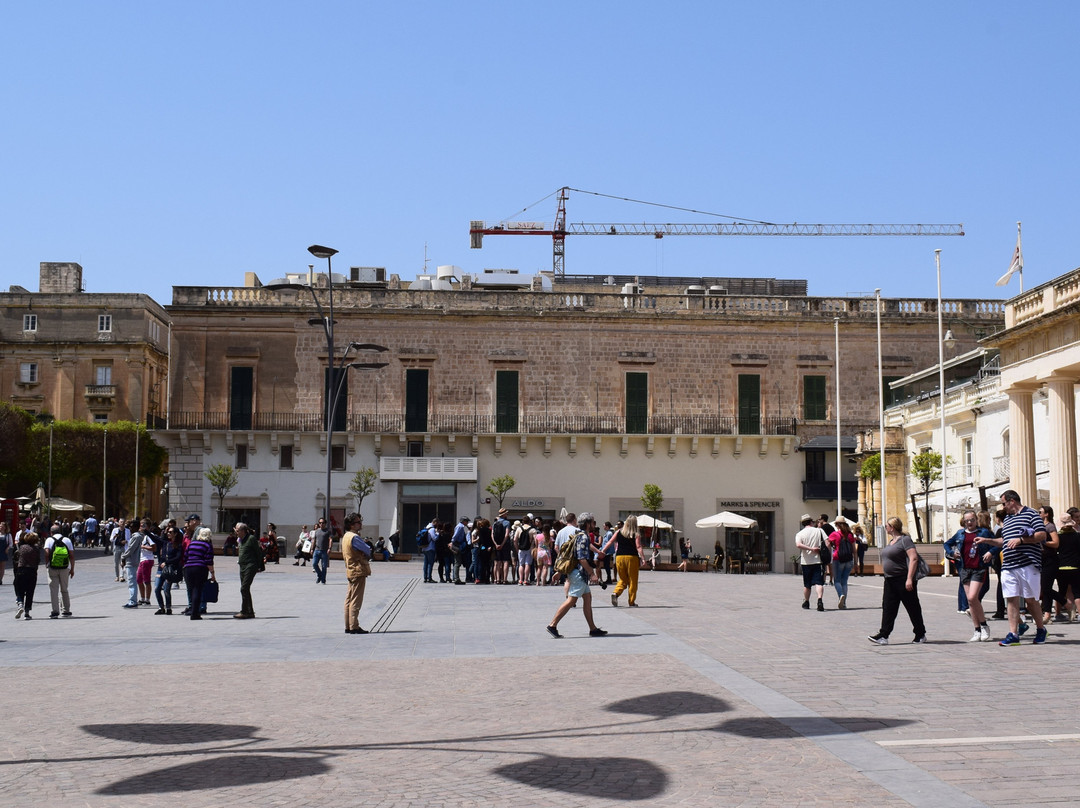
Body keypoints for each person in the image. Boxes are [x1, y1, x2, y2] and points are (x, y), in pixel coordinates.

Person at [988, 490, 1048, 646]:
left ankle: (1041, 629)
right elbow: (1005, 541)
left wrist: (1021, 540)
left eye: (1003, 503)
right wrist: (988, 541)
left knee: (1031, 600)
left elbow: (1042, 535)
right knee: (1012, 598)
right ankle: (1013, 634)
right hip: (1009, 565)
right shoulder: (1007, 519)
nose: (1003, 506)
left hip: (1027, 564)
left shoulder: (1031, 514)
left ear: (1011, 501)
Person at [868, 517, 926, 645]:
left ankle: (920, 633)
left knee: (912, 607)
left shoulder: (905, 540)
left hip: (903, 579)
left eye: (887, 525)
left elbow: (914, 558)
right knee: (888, 607)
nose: (885, 528)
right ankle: (884, 635)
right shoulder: (891, 542)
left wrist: (909, 579)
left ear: (892, 527)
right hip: (890, 580)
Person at [546, 517, 607, 639]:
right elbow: (581, 558)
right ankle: (552, 625)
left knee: (587, 598)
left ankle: (593, 628)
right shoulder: (583, 537)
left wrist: (559, 571)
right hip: (579, 573)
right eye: (593, 522)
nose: (594, 524)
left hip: (577, 572)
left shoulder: (577, 534)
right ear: (588, 524)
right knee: (571, 600)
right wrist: (592, 574)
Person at [944, 510, 996, 642]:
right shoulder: (960, 533)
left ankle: (984, 625)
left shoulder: (983, 532)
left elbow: (998, 544)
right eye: (967, 520)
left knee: (973, 597)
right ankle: (977, 629)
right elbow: (947, 543)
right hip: (964, 568)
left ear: (976, 520)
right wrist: (952, 552)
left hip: (979, 568)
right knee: (970, 601)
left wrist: (990, 552)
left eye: (972, 520)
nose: (969, 523)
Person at [604, 516, 646, 608]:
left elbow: (610, 541)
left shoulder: (619, 532)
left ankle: (616, 593)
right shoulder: (636, 533)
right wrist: (643, 558)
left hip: (619, 557)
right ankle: (631, 602)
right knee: (632, 580)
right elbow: (638, 546)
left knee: (623, 579)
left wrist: (603, 551)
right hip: (632, 557)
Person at [342, 512, 372, 634]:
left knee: (349, 599)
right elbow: (367, 549)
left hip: (350, 569)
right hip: (358, 570)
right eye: (358, 522)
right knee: (356, 600)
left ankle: (348, 625)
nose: (360, 524)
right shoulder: (354, 537)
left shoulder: (345, 536)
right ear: (351, 525)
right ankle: (354, 626)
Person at [183, 526, 216, 621]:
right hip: (200, 568)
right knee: (197, 590)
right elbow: (209, 561)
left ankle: (192, 609)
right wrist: (212, 573)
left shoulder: (192, 544)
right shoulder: (207, 545)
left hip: (188, 568)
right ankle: (195, 613)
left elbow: (185, 556)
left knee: (191, 589)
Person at [794, 514, 826, 612]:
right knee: (819, 582)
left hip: (806, 562)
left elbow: (798, 545)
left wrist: (810, 549)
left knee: (807, 585)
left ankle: (806, 602)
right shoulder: (819, 531)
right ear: (811, 522)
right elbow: (828, 542)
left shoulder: (800, 533)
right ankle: (819, 599)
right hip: (818, 560)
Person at [43, 529, 75, 618]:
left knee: (54, 590)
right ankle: (66, 610)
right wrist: (72, 569)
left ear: (51, 532)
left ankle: (55, 611)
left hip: (52, 567)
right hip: (65, 568)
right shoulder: (67, 540)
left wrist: (47, 564)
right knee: (64, 589)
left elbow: (46, 553)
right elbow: (72, 556)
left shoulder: (49, 540)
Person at [154, 526, 184, 614]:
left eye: (170, 532)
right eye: (168, 532)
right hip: (161, 569)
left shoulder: (178, 545)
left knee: (167, 589)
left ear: (175, 534)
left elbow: (178, 557)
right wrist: (146, 531)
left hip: (170, 569)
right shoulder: (165, 543)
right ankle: (161, 607)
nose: (168, 533)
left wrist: (167, 562)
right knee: (157, 588)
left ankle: (168, 608)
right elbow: (155, 538)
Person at [829, 516, 857, 608]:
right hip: (849, 560)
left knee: (837, 580)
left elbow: (827, 544)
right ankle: (844, 603)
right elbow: (854, 550)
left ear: (837, 524)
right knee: (844, 581)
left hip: (838, 559)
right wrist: (856, 562)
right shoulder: (850, 534)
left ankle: (841, 595)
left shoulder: (834, 534)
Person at [13, 531, 41, 619]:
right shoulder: (36, 549)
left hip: (21, 570)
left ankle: (20, 603)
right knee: (30, 592)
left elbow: (16, 557)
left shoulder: (22, 547)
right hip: (32, 571)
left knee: (19, 588)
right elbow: (38, 560)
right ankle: (27, 612)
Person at [120, 519, 147, 608]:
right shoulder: (136, 536)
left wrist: (123, 557)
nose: (130, 528)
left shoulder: (136, 537)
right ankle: (132, 599)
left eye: (131, 527)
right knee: (131, 581)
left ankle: (133, 601)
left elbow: (130, 549)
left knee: (131, 582)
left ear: (136, 527)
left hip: (131, 561)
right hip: (131, 560)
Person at [235, 522, 259, 619]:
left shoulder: (251, 539)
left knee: (244, 588)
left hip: (250, 565)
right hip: (242, 566)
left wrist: (259, 566)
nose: (236, 532)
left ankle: (244, 611)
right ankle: (250, 612)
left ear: (243, 530)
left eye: (237, 530)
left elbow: (258, 552)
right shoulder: (240, 540)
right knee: (245, 589)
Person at [136, 520, 157, 605]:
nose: (141, 527)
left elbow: (154, 548)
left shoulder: (148, 537)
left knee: (146, 580)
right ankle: (142, 598)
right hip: (142, 560)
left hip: (147, 559)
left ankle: (147, 599)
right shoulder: (140, 536)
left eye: (143, 525)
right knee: (139, 579)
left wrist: (143, 546)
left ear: (147, 527)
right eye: (140, 525)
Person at [493, 508, 512, 584]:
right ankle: (504, 579)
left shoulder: (495, 523)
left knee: (497, 562)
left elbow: (492, 534)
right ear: (503, 514)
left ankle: (497, 579)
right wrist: (502, 544)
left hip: (496, 544)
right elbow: (507, 534)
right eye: (506, 513)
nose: (507, 515)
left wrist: (496, 544)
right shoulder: (507, 523)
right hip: (505, 544)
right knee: (505, 561)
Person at [312, 517, 332, 584]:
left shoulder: (327, 531)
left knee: (324, 566)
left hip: (324, 551)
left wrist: (329, 548)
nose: (321, 524)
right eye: (320, 523)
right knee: (314, 564)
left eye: (323, 523)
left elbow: (330, 540)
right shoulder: (317, 531)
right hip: (316, 550)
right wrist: (312, 549)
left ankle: (323, 580)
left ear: (325, 524)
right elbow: (314, 540)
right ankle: (320, 575)